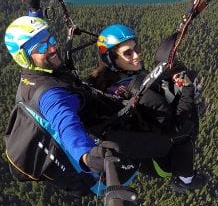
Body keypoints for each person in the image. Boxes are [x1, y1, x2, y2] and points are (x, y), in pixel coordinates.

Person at [4, 0, 124, 181]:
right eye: (42, 47)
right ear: (24, 58)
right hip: (95, 136)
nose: (52, 47)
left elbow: (35, 39)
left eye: (51, 39)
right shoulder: (50, 95)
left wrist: (34, 10)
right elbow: (66, 124)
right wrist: (87, 156)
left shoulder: (34, 70)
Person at [87, 23, 208, 193]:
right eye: (128, 53)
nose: (136, 55)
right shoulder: (141, 92)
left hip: (141, 146)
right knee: (186, 132)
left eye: (136, 48)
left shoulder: (105, 81)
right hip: (161, 161)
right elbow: (176, 128)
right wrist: (188, 90)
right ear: (111, 58)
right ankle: (184, 180)